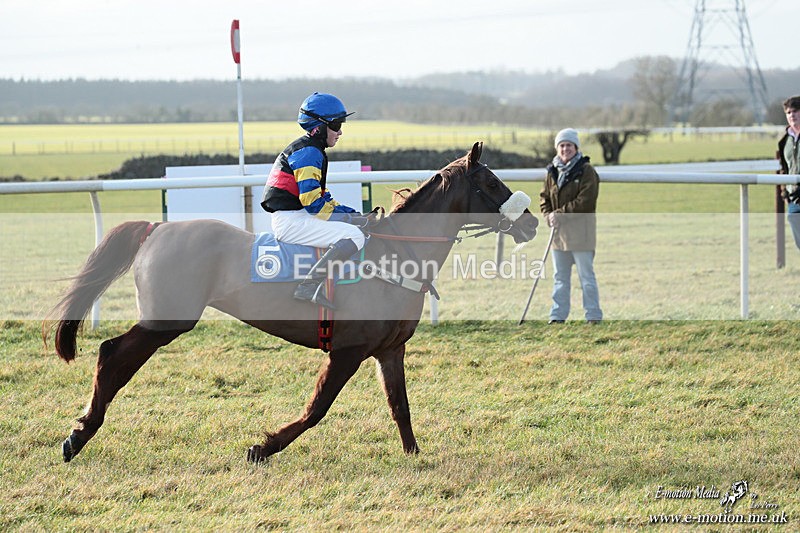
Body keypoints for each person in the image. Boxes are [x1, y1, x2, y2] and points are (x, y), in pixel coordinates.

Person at [261, 92, 370, 309]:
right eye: (336, 124)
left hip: (296, 216)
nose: (340, 132)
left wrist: (355, 215)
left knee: (354, 226)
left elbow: (323, 198)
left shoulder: (312, 150)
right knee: (354, 236)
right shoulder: (308, 153)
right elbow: (314, 205)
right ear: (319, 127)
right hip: (292, 221)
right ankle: (309, 286)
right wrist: (351, 221)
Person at [539, 128, 603, 324]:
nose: (565, 149)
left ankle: (593, 316)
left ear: (576, 148)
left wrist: (559, 214)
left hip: (581, 235)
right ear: (557, 148)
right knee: (560, 278)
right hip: (558, 236)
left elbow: (586, 201)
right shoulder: (552, 171)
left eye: (569, 145)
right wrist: (548, 215)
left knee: (586, 278)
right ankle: (557, 316)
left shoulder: (587, 171)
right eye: (562, 145)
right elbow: (544, 198)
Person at [779, 95, 800, 251]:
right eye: (788, 112)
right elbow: (783, 168)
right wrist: (784, 191)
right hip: (793, 199)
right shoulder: (785, 140)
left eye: (796, 111)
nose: (792, 115)